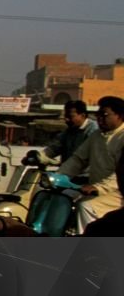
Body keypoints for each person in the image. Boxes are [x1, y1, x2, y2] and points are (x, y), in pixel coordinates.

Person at [55, 95, 124, 232]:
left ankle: (88, 247)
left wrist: (99, 187)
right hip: (95, 189)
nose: (99, 118)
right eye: (98, 114)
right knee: (63, 197)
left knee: (86, 207)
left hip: (117, 193)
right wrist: (58, 176)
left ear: (119, 116)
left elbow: (120, 174)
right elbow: (78, 159)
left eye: (104, 115)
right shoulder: (97, 136)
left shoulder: (122, 137)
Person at [27, 100, 97, 167]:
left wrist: (53, 162)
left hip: (85, 176)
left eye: (70, 116)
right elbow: (54, 149)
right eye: (65, 116)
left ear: (82, 115)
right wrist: (38, 157)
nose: (66, 119)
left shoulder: (93, 131)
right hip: (67, 173)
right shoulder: (68, 132)